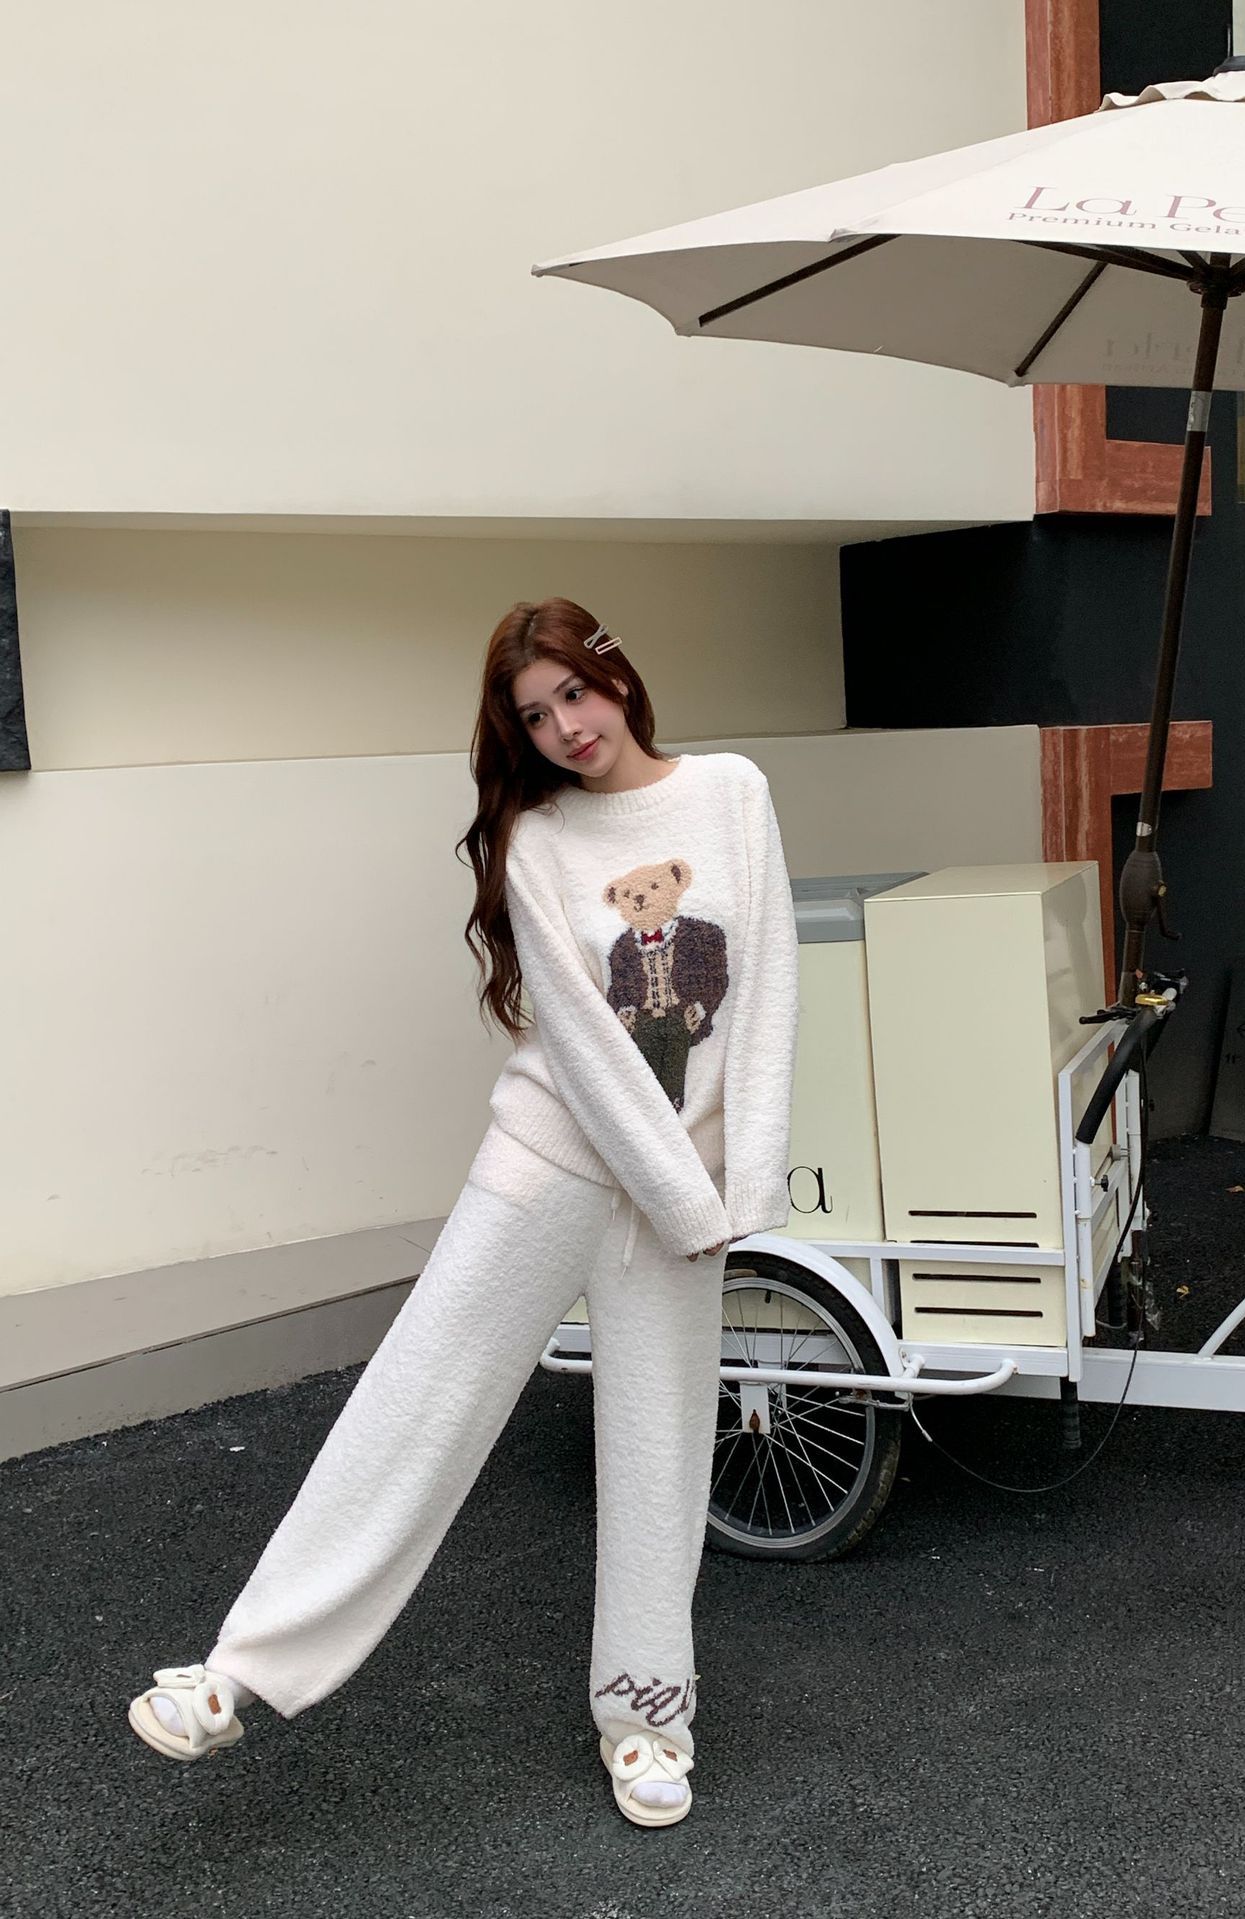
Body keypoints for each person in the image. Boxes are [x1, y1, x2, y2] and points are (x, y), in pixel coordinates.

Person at [125, 596, 800, 1828]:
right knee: (419, 1395)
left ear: (615, 675)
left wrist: (740, 1185)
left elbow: (768, 999)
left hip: (686, 1203)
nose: (565, 727)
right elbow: (584, 1042)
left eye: (574, 693)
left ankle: (648, 1720)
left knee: (660, 1452)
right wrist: (682, 1193)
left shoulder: (734, 793)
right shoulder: (538, 840)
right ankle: (240, 1670)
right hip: (550, 1161)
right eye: (534, 716)